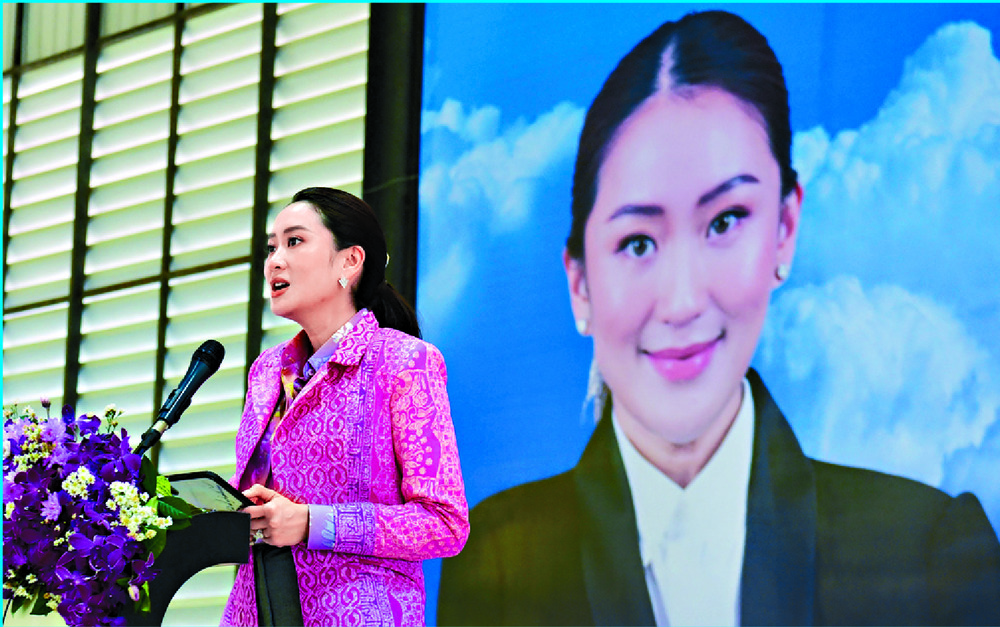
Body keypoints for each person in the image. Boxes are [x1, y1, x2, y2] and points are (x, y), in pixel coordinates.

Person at [437, 10, 1000, 626]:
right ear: (580, 284)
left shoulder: (929, 557)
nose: (682, 302)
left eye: (725, 221)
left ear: (784, 229)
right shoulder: (496, 564)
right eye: (638, 242)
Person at [222, 187, 469, 626]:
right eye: (271, 247)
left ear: (349, 262)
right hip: (254, 610)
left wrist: (309, 522)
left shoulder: (406, 362)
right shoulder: (266, 371)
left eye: (294, 241)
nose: (274, 260)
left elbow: (443, 524)